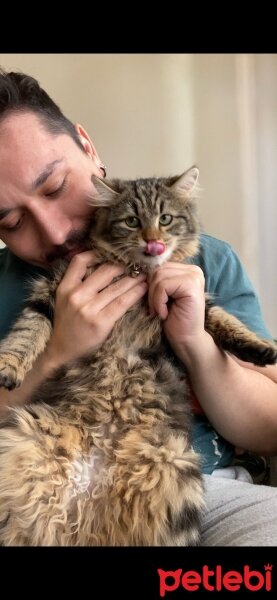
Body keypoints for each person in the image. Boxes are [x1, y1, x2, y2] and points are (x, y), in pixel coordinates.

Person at [0, 68, 276, 546]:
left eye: (55, 187)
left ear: (87, 146)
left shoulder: (206, 260)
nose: (53, 231)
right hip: (44, 479)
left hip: (192, 486)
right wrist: (57, 354)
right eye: (10, 220)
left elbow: (270, 427)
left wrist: (196, 345)